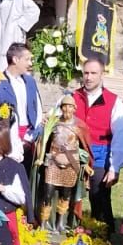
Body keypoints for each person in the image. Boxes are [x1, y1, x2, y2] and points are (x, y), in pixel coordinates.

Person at [72, 58, 123, 227]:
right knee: (68, 196)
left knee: (100, 199)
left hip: (100, 156)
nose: (88, 77)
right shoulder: (71, 98)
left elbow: (122, 135)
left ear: (102, 75)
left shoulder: (114, 101)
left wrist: (115, 167)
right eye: (86, 73)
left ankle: (104, 241)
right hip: (73, 155)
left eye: (93, 73)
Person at [38, 94, 91, 232]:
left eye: (70, 107)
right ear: (61, 108)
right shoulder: (53, 123)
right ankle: (44, 223)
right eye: (64, 107)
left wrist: (85, 164)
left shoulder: (79, 126)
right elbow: (42, 141)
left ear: (75, 108)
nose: (67, 110)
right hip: (53, 162)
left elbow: (85, 147)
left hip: (71, 164)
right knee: (47, 193)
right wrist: (40, 156)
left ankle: (60, 223)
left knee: (66, 195)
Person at [0, 44, 41, 157]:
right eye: (27, 59)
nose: (30, 63)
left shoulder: (30, 81)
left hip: (29, 136)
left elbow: (38, 109)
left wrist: (32, 134)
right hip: (8, 136)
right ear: (15, 59)